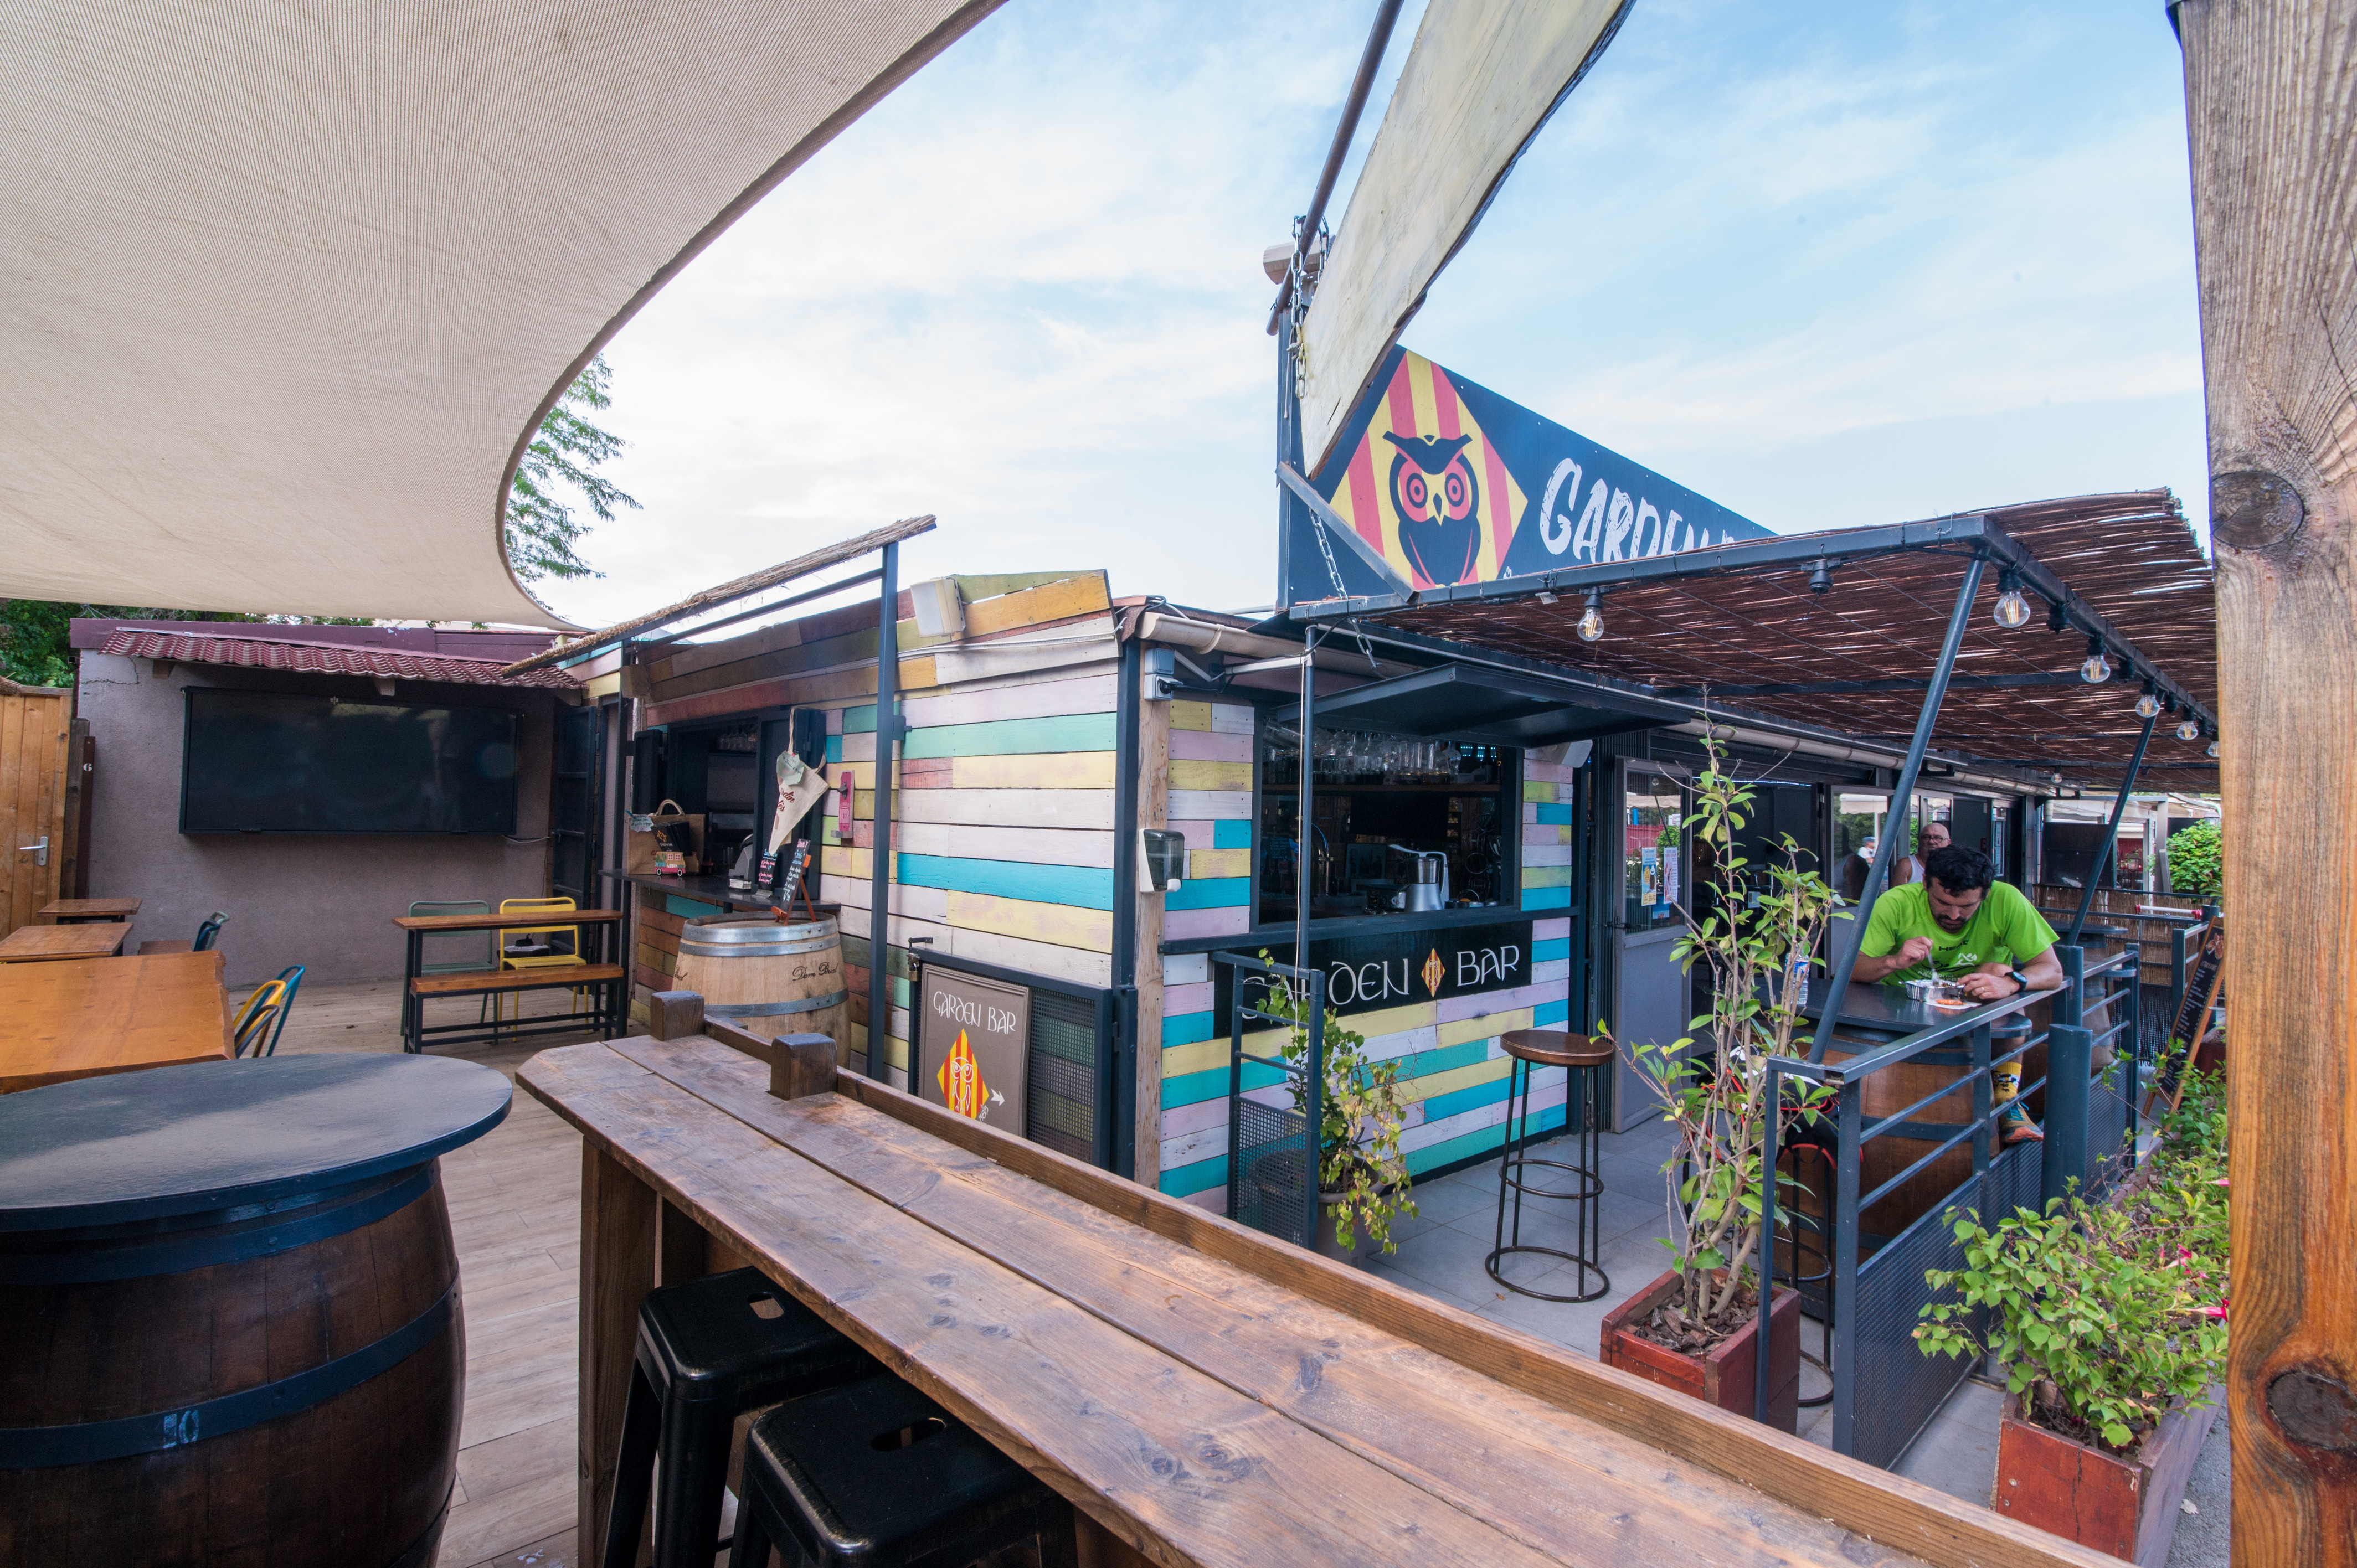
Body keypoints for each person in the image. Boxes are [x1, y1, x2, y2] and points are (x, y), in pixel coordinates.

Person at [1853, 842, 2059, 1142]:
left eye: (1966, 906)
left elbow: (2052, 971)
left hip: (1979, 1007)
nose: (1953, 915)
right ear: (1925, 883)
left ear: (1986, 894)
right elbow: (1852, 970)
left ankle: (2007, 1101)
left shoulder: (2006, 900)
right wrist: (1894, 961)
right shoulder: (1896, 902)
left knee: (1998, 971)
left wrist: (2013, 982)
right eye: (1942, 902)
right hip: (1902, 1009)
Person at [1889, 818, 1949, 886]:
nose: (1931, 842)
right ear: (1920, 841)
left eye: (1938, 838)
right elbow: (1897, 893)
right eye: (1926, 837)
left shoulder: (1954, 866)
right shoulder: (1906, 866)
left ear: (1948, 842)